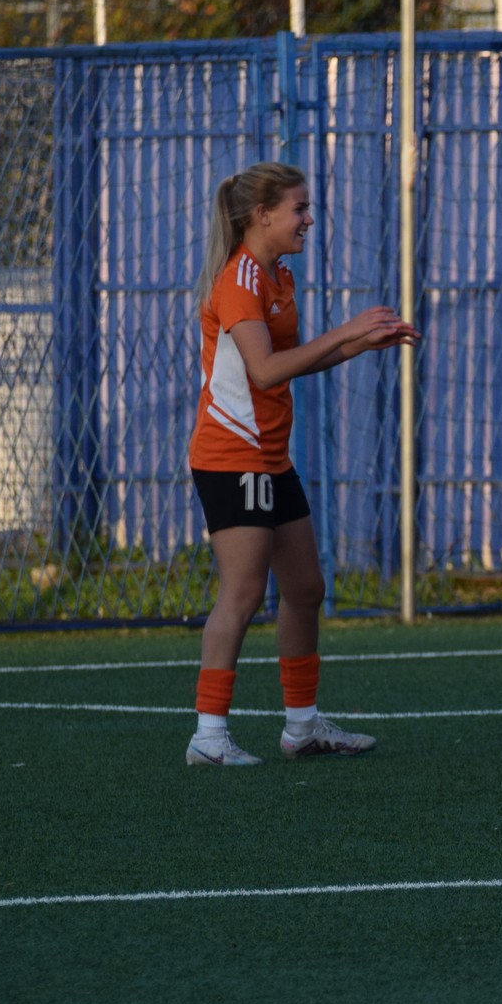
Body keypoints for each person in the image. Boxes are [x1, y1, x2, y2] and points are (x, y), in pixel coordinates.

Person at [185, 162, 418, 766]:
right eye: (299, 209)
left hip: (269, 457)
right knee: (242, 593)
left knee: (306, 588)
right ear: (262, 215)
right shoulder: (239, 279)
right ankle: (208, 736)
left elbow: (291, 362)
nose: (309, 219)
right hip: (232, 456)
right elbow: (265, 371)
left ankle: (302, 727)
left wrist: (359, 344)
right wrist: (345, 330)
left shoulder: (277, 276)